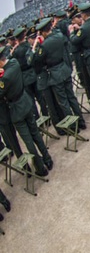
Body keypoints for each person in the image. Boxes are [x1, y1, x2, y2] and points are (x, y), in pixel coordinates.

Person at [0, 45, 52, 176]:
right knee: (35, 134)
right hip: (26, 102)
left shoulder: (4, 78)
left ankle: (40, 168)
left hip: (16, 109)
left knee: (28, 141)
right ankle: (47, 159)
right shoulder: (14, 63)